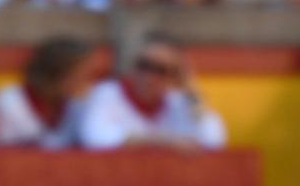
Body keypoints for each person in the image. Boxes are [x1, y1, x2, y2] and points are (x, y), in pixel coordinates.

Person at [78, 35, 228, 150]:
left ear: (175, 75)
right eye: (144, 65)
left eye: (160, 70)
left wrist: (192, 91)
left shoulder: (178, 101)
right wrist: (163, 142)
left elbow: (214, 140)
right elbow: (95, 137)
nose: (148, 75)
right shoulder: (107, 92)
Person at [0, 38, 99, 147]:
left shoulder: (75, 104)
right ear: (61, 74)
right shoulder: (10, 101)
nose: (89, 82)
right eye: (84, 74)